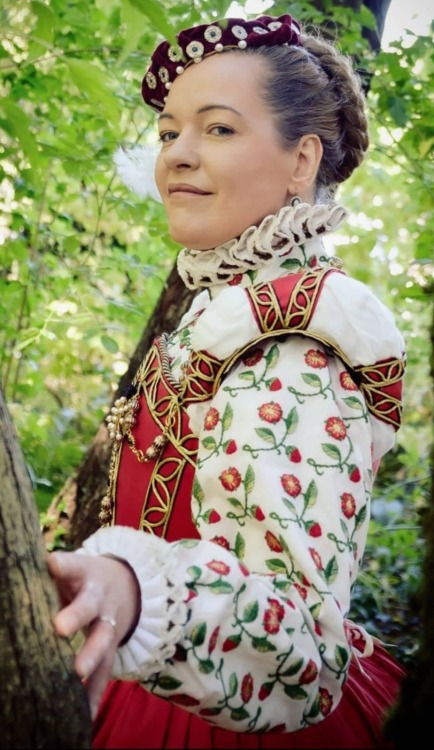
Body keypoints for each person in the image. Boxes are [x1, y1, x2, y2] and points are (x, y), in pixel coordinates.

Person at [48, 12, 407, 749]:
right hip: (136, 679)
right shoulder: (226, 308)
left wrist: (137, 590)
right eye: (168, 132)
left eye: (216, 129)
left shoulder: (303, 335)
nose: (177, 154)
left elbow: (302, 644)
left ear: (302, 161)